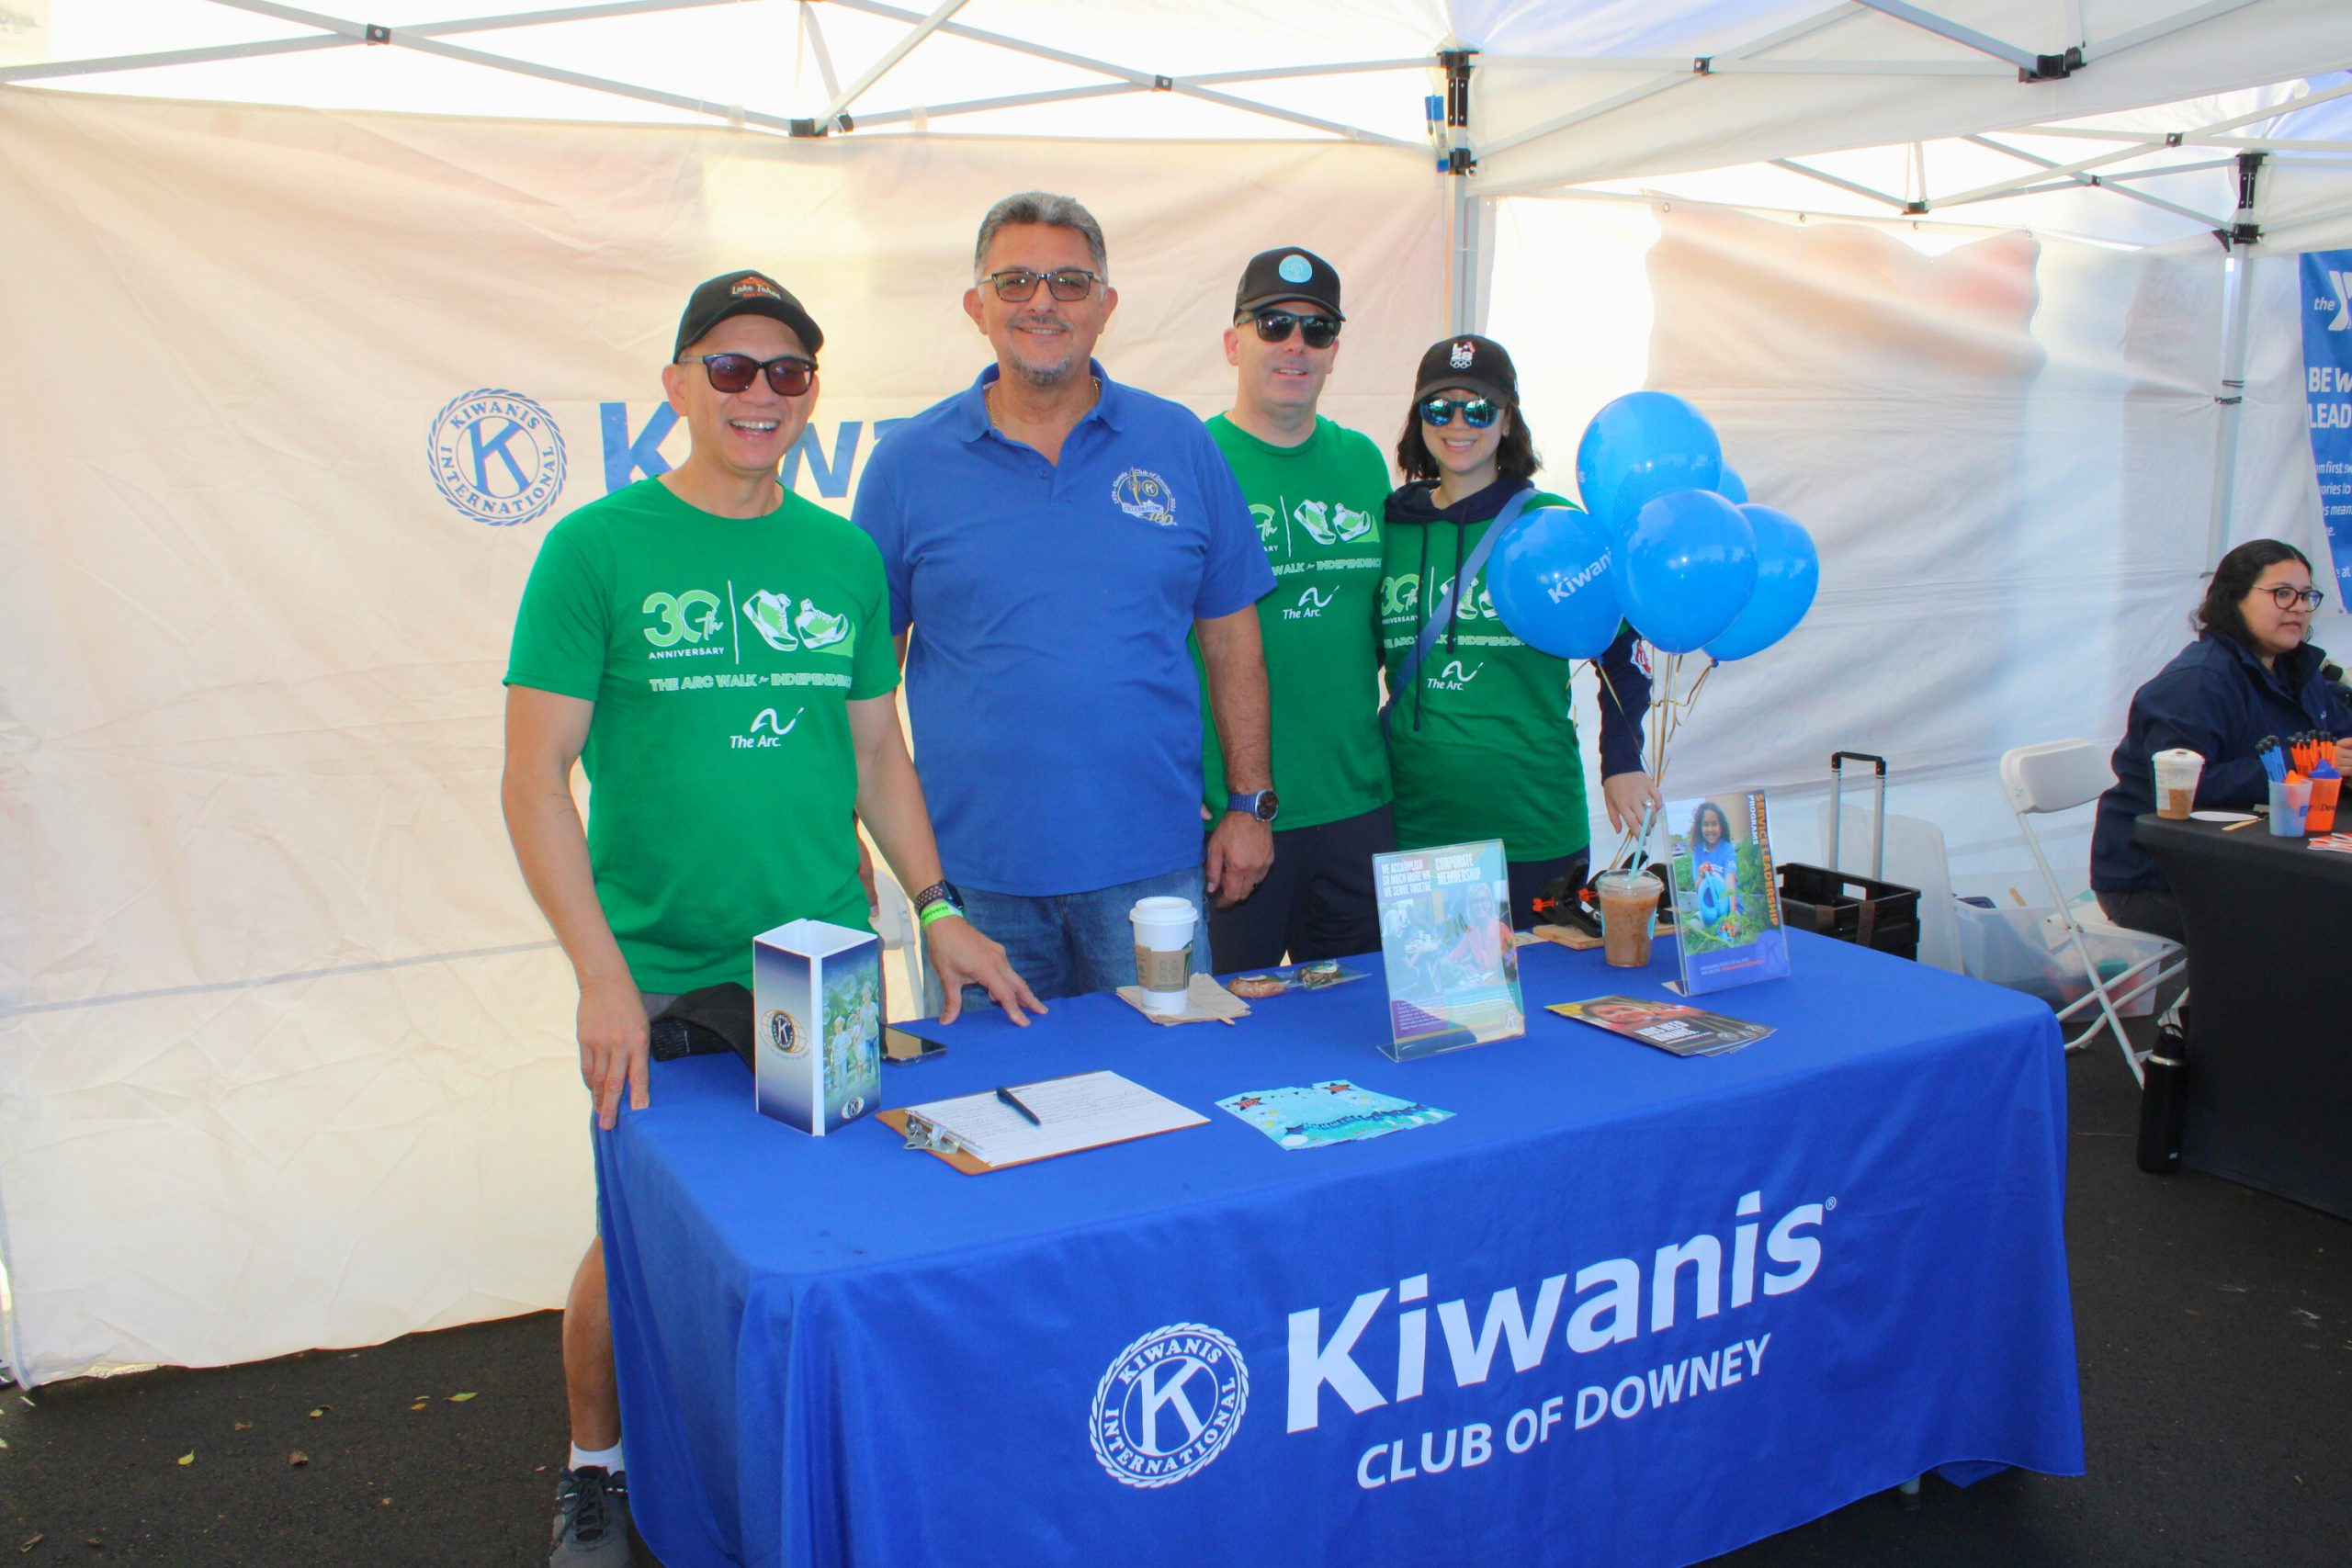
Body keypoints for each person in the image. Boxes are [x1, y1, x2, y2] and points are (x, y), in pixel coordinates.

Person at [502, 271, 1040, 1567]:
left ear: (811, 394)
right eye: (730, 368)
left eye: (787, 371)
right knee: (639, 1240)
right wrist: (599, 974)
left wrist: (937, 907)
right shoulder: (596, 547)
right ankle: (593, 1467)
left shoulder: (841, 555)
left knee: (827, 1214)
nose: (760, 393)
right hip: (661, 969)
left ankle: (795, 1463)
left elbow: (878, 756)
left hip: (822, 965)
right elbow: (534, 780)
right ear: (677, 385)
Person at [854, 192, 1278, 1005]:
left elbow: (1233, 640)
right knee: (995, 1086)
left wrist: (1251, 803)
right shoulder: (905, 465)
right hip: (972, 884)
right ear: (976, 306)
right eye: (1015, 281)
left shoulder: (1179, 443)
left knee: (1170, 1073)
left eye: (1070, 282)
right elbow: (866, 682)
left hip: (1154, 876)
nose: (1042, 301)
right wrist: (848, 824)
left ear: (1106, 306)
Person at [1378, 333, 1659, 926]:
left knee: (1545, 982)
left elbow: (1624, 652)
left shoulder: (1555, 527)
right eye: (1440, 407)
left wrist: (1622, 759)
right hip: (1416, 827)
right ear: (1419, 420)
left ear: (1507, 420)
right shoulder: (1390, 530)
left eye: (1479, 408)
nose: (1459, 423)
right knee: (1434, 986)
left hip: (1533, 824)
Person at [1195, 246, 1393, 971]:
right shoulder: (1191, 460)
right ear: (1233, 343)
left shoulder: (1364, 461)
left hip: (1357, 809)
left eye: (1317, 329)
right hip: (1229, 817)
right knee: (1226, 1023)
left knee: (1355, 1022)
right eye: (1274, 324)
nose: (1295, 345)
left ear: (1335, 351)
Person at [2092, 538, 2352, 942]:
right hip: (2159, 878)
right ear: (2234, 599)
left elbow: (2337, 737)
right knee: (2321, 932)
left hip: (2255, 860)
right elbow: (2189, 788)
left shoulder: (2298, 671)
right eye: (2282, 594)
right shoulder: (2197, 682)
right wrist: (2310, 763)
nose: (2299, 607)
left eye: (2306, 596)